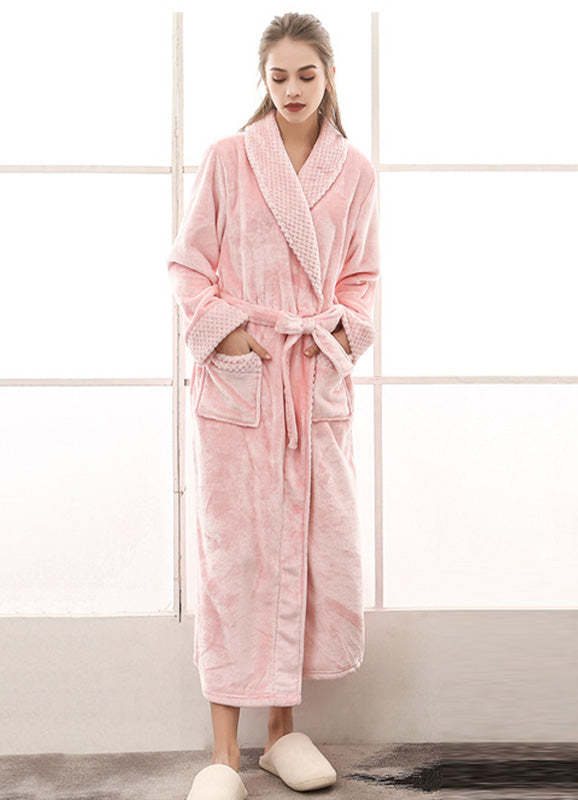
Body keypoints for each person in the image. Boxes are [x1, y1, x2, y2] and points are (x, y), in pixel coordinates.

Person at [167, 12, 380, 798]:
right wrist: (227, 335)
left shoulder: (354, 172)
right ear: (263, 79)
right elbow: (189, 265)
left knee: (306, 549)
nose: (292, 89)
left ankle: (282, 735)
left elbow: (362, 281)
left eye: (306, 75)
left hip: (309, 379)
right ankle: (224, 754)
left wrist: (339, 332)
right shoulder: (229, 159)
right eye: (279, 76)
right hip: (244, 380)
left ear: (329, 77)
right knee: (235, 559)